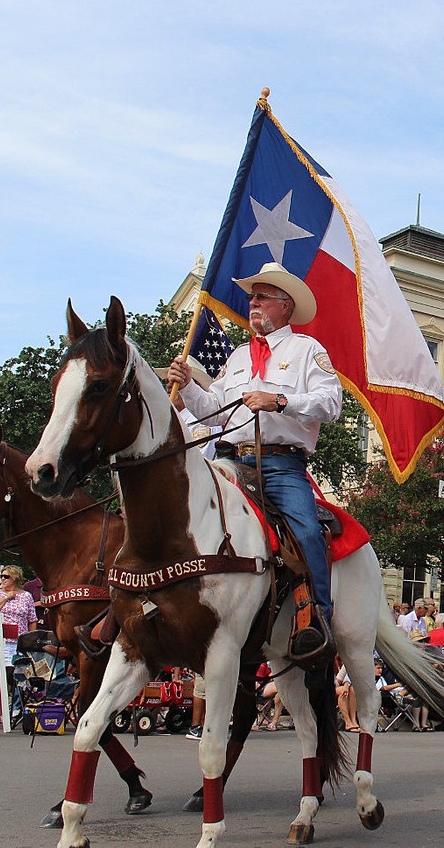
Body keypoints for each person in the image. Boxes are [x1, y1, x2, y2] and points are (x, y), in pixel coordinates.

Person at [170, 262, 343, 658]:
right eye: (252, 297)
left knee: (306, 531)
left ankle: (316, 619)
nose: (253, 304)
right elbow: (216, 412)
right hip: (229, 462)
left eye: (262, 297)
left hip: (281, 465)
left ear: (285, 306)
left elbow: (331, 405)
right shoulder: (237, 356)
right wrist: (190, 385)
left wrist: (279, 400)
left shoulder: (307, 351)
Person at [0, 566, 38, 723]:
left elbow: (32, 619)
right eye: (1, 577)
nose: (2, 580)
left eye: (6, 577)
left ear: (15, 579)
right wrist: (5, 598)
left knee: (10, 675)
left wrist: (31, 642)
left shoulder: (26, 596)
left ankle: (2, 710)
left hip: (16, 641)